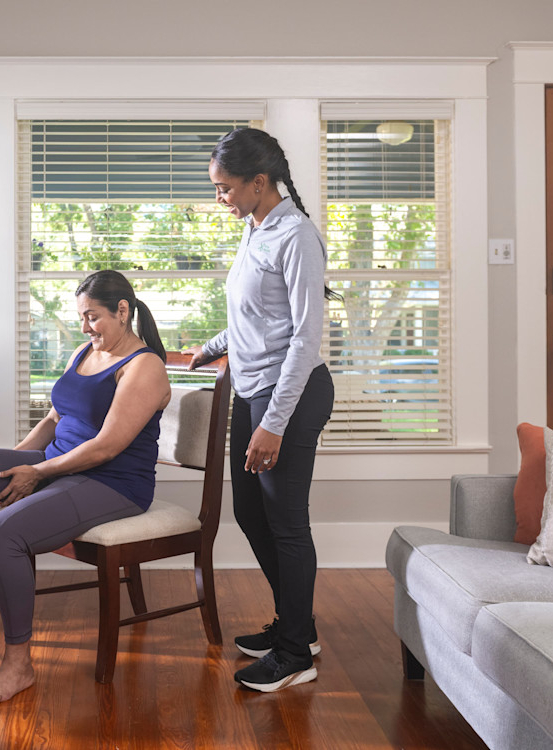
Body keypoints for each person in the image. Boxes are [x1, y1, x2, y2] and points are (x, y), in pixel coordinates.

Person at [0, 269, 171, 706]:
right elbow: (54, 418)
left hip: (113, 484)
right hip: (61, 467)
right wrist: (16, 464)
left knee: (4, 532)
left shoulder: (145, 367)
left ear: (123, 311)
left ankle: (17, 664)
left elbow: (106, 447)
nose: (85, 327)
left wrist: (39, 474)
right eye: (81, 317)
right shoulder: (85, 351)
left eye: (93, 317)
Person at [188, 127, 337, 693]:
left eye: (225, 189)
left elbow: (304, 338)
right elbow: (255, 314)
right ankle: (298, 625)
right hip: (252, 389)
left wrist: (274, 422)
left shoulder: (295, 235)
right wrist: (212, 349)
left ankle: (296, 654)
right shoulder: (255, 229)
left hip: (290, 397)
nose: (219, 199)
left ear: (258, 182)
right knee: (251, 513)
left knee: (286, 523)